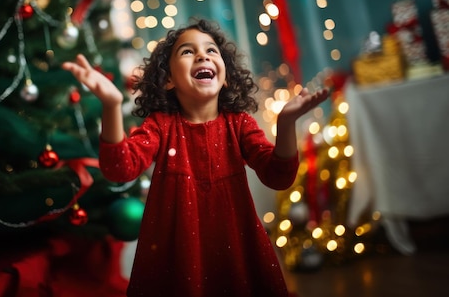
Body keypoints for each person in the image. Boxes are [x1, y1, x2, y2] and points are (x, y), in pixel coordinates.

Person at [62, 18, 329, 297]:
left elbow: (278, 176)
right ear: (167, 79)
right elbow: (120, 169)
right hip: (174, 264)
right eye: (187, 51)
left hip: (238, 256)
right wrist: (111, 105)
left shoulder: (240, 124)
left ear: (225, 76)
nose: (202, 54)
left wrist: (286, 124)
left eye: (211, 50)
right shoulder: (159, 127)